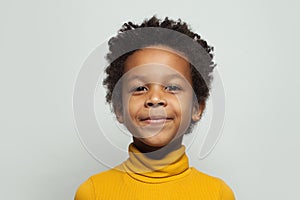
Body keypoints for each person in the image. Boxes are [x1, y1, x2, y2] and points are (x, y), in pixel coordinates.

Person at [75, 16, 235, 200]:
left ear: (197, 107)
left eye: (172, 87)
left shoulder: (218, 194)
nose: (155, 98)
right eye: (140, 88)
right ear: (119, 109)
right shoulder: (93, 193)